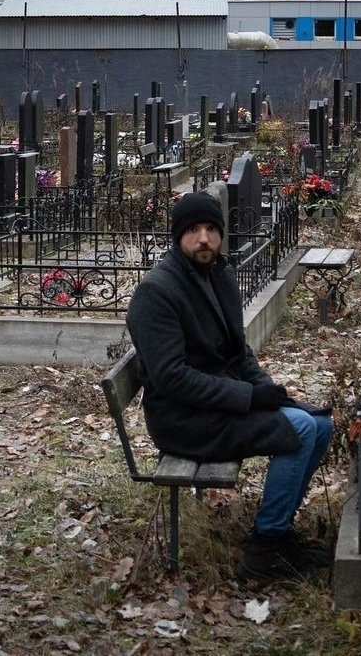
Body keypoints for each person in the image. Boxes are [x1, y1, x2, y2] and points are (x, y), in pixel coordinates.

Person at [125, 191, 334, 581]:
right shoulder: (157, 292)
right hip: (183, 420)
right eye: (193, 230)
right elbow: (172, 379)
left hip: (216, 404)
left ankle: (279, 530)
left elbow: (239, 353)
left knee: (320, 424)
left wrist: (267, 388)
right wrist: (250, 396)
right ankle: (265, 550)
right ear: (177, 237)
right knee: (301, 430)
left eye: (211, 229)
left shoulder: (218, 274)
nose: (203, 238)